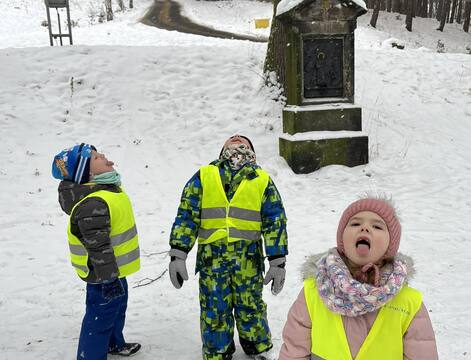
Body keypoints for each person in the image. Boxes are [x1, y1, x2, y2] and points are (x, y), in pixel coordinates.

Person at [168, 135, 288, 360]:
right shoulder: (204, 176)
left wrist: (278, 260)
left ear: (252, 151)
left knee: (250, 304)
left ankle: (258, 347)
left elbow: (275, 220)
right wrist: (178, 253)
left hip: (248, 259)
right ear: (222, 150)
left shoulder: (261, 180)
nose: (237, 138)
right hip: (212, 260)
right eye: (232, 139)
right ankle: (217, 351)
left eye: (244, 140)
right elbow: (187, 215)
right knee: (214, 308)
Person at [279, 196, 438, 359]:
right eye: (355, 223)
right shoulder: (315, 291)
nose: (364, 228)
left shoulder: (408, 303)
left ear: (390, 246)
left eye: (377, 226)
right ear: (342, 240)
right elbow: (294, 350)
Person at [52, 143, 142, 359]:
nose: (104, 157)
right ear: (87, 173)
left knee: (116, 309)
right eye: (96, 157)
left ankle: (113, 343)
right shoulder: (93, 203)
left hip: (113, 270)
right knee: (100, 317)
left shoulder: (106, 192)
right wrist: (109, 279)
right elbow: (98, 247)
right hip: (102, 275)